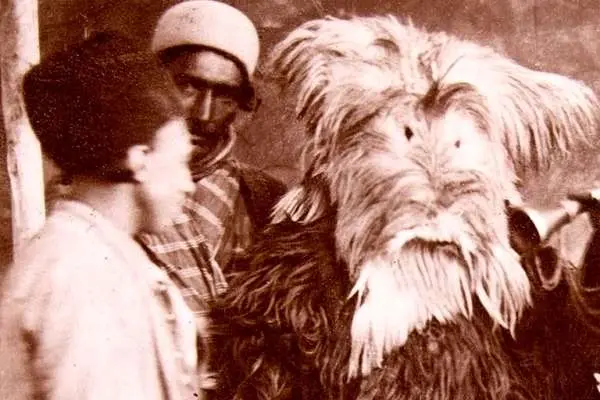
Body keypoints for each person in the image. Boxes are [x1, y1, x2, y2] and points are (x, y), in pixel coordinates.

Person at [0, 32, 203, 399]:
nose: (188, 185)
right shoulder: (83, 275)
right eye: (181, 162)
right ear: (140, 160)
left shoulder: (96, 255)